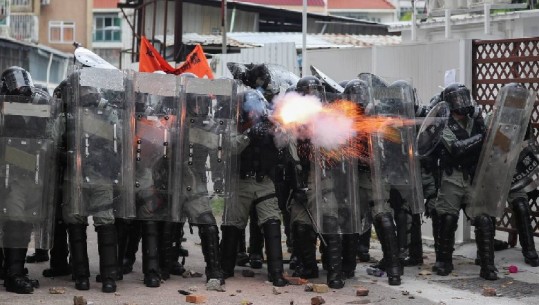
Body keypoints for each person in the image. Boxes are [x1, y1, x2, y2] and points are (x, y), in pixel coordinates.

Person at [220, 89, 288, 287]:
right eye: (250, 111)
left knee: (272, 221)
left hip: (264, 182)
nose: (254, 114)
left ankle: (276, 273)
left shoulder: (269, 123)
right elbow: (229, 149)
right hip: (239, 183)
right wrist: (249, 134)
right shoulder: (234, 126)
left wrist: (276, 128)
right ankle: (225, 268)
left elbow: (284, 144)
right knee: (232, 224)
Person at [0, 66, 58, 293]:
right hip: (8, 176)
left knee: (21, 223)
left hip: (27, 175)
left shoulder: (36, 109)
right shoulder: (4, 109)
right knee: (15, 221)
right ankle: (12, 275)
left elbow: (48, 137)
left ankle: (13, 270)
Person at [434, 83, 497, 280]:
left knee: (484, 219)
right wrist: (482, 137)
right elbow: (456, 149)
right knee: (448, 219)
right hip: (452, 176)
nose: (462, 104)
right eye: (458, 99)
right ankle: (444, 261)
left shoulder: (476, 120)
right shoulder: (443, 123)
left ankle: (487, 265)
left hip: (473, 176)